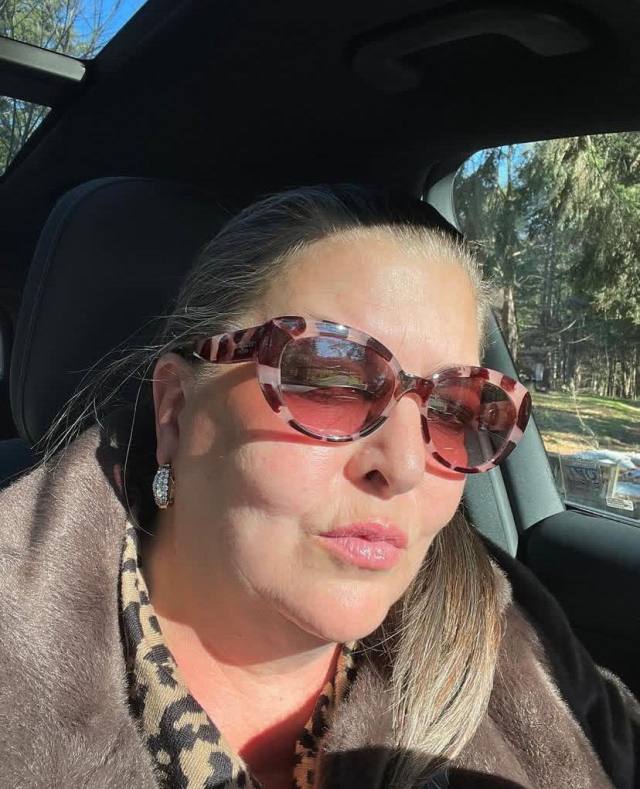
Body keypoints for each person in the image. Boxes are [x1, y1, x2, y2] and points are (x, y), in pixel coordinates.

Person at [0, 184, 637, 789]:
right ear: (176, 413)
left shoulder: (516, 642)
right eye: (331, 379)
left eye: (455, 410)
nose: (405, 466)